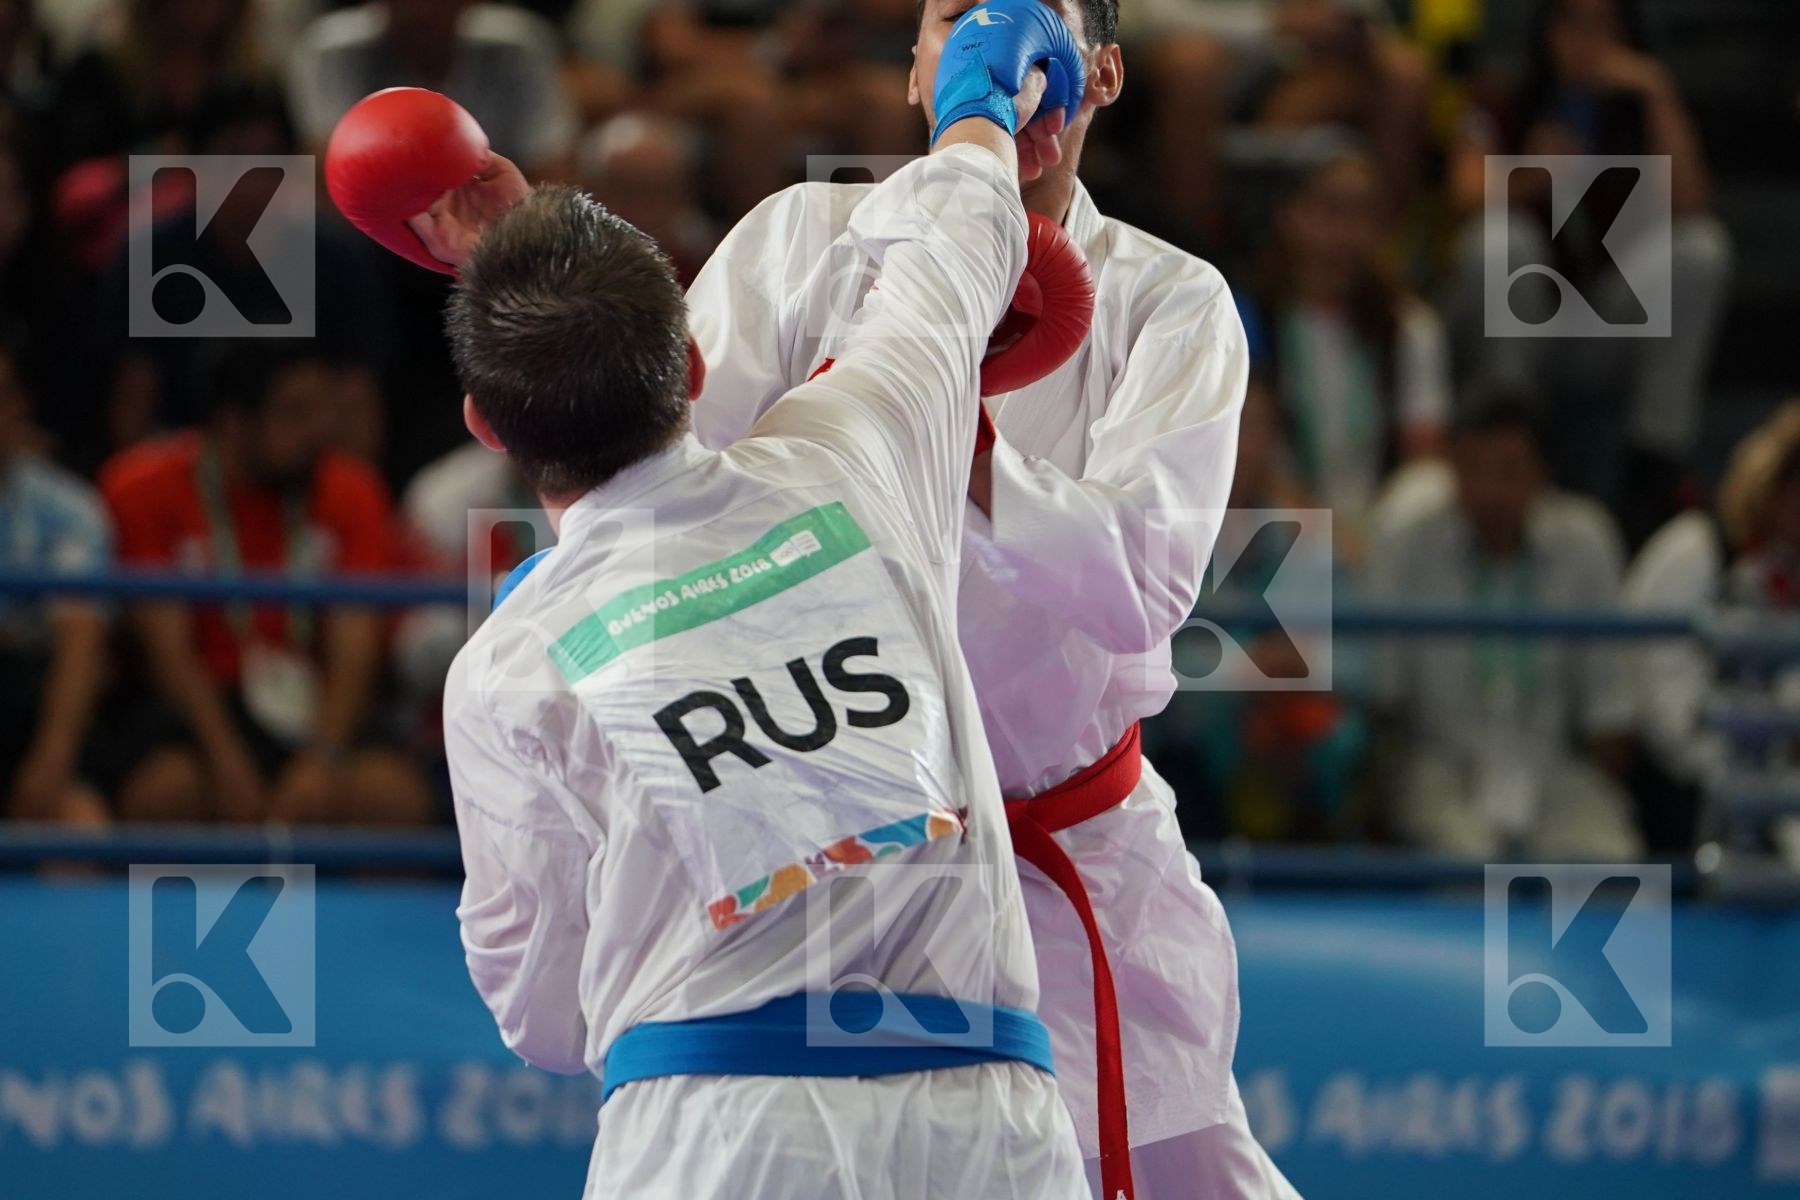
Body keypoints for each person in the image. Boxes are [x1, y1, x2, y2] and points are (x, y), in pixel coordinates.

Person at [425, 8, 1091, 1195]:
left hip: (720, 1138)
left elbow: (546, 1022)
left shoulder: (510, 669)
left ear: (486, 428)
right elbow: (961, 242)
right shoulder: (854, 451)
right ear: (691, 364)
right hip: (993, 1126)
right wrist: (979, 98)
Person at [683, 4, 1293, 1197]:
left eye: (1032, 24)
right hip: (824, 854)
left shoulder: (1171, 301)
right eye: (962, 24)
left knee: (1182, 1171)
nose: (1000, 58)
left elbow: (1143, 583)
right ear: (919, 73)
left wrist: (953, 443)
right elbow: (680, 498)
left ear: (1100, 74)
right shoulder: (798, 243)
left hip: (1064, 861)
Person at [98, 339, 432, 826]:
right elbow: (167, 650)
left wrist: (321, 758)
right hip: (201, 710)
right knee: (164, 793)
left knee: (395, 798)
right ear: (234, 423)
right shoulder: (142, 487)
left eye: (324, 410)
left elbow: (354, 647)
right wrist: (226, 759)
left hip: (316, 704)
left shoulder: (351, 488)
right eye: (296, 413)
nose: (320, 430)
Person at [1445, 0, 1732, 543]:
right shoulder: (1505, 102)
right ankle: (1510, 445)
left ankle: (1654, 470)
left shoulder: (1641, 110)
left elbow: (1692, 204)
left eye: (1602, 25)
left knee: (1701, 250)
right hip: (1522, 331)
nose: (1584, 40)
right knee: (1498, 240)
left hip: (1605, 323)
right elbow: (1463, 197)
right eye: (1570, 22)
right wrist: (1530, 176)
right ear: (1544, 31)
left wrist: (1657, 92)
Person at [1365, 395, 1643, 860]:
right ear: (1452, 469)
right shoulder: (1407, 541)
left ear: (1541, 473)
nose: (1490, 490)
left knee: (1613, 864)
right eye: (1473, 469)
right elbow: (1381, 698)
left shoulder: (1586, 541)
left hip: (1550, 769)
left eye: (1509, 470)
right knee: (1468, 864)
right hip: (1439, 768)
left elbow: (1610, 711)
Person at [0, 345, 112, 828]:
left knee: (79, 825)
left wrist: (50, 762)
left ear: (19, 405)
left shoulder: (69, 509)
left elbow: (80, 640)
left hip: (29, 719)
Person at [288, 0, 578, 177]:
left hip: (494, 222)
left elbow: (554, 170)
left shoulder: (518, 47)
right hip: (372, 228)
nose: (418, 10)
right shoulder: (332, 51)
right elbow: (328, 170)